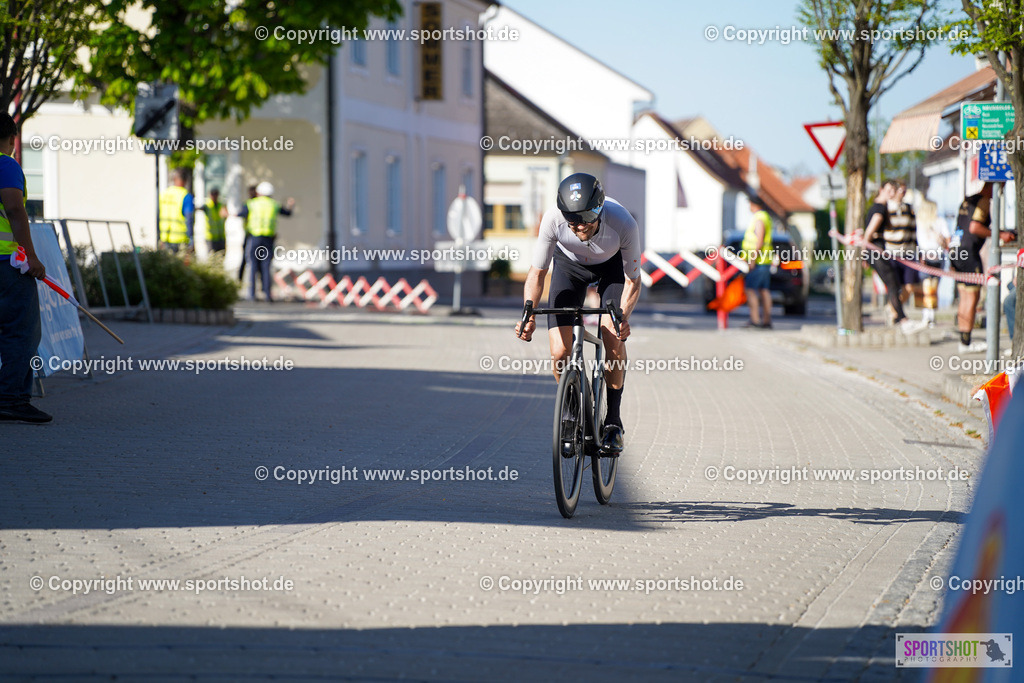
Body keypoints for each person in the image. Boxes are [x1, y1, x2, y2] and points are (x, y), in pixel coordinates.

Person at [515, 173, 640, 454]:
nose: (578, 226)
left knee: (611, 336)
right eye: (571, 219)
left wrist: (623, 317)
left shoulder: (623, 222)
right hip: (569, 268)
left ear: (598, 209)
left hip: (611, 269)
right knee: (560, 353)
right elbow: (537, 274)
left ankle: (613, 420)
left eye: (584, 218)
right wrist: (529, 313)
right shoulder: (553, 220)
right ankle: (572, 411)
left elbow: (633, 280)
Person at [0, 113, 51, 423]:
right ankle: (12, 399)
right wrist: (31, 257)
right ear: (11, 140)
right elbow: (15, 209)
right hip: (6, 263)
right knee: (22, 332)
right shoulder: (5, 164)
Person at [949, 182, 1016, 352]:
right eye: (1000, 186)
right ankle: (966, 343)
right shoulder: (984, 200)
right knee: (972, 297)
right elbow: (974, 227)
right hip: (969, 252)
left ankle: (964, 341)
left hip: (956, 250)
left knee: (964, 296)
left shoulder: (968, 200)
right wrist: (1000, 234)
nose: (1001, 190)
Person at [863, 179, 923, 334]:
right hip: (877, 252)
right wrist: (864, 251)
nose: (891, 193)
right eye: (889, 190)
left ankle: (899, 317)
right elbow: (870, 231)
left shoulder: (876, 206)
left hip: (877, 252)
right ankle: (903, 320)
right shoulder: (881, 208)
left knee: (895, 286)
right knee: (893, 286)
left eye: (893, 190)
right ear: (881, 189)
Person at [246, 181, 295, 301]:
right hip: (268, 239)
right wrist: (290, 205)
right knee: (266, 266)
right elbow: (287, 213)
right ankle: (267, 294)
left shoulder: (252, 203)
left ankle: (252, 294)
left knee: (253, 265)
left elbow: (241, 213)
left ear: (259, 192)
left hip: (255, 237)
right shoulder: (274, 204)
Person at [886, 182, 921, 316]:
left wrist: (918, 251)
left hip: (908, 253)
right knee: (895, 286)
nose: (903, 193)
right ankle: (895, 314)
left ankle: (891, 308)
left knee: (910, 285)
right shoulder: (886, 208)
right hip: (891, 253)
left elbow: (913, 231)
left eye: (905, 191)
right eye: (901, 190)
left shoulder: (909, 208)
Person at [742, 197, 773, 329]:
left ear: (753, 204)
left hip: (759, 261)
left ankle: (755, 320)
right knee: (764, 290)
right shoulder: (765, 216)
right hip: (764, 260)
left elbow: (759, 240)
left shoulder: (759, 218)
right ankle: (766, 321)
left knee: (750, 290)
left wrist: (752, 259)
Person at [158, 168, 194, 253]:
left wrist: (161, 238)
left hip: (165, 238)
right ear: (185, 181)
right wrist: (191, 239)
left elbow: (158, 215)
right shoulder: (186, 196)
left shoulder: (164, 194)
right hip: (180, 240)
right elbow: (189, 218)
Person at [237, 184, 258, 283]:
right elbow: (242, 213)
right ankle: (240, 280)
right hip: (250, 234)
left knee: (255, 260)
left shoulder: (253, 204)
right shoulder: (250, 204)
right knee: (247, 259)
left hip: (254, 234)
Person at [199, 187, 227, 254]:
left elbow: (225, 215)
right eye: (213, 194)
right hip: (211, 237)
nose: (214, 196)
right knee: (212, 256)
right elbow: (201, 208)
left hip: (221, 236)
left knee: (221, 255)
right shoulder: (207, 205)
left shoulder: (220, 205)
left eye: (216, 194)